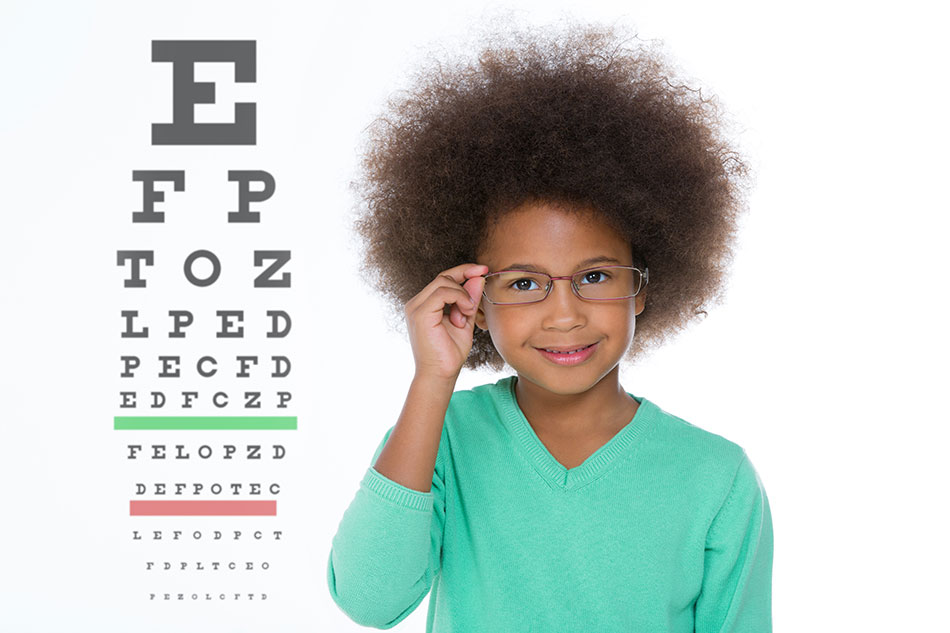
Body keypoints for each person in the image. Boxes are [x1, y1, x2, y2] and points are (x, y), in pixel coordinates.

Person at [327, 20, 773, 633]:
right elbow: (369, 600)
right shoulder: (442, 440)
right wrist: (433, 377)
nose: (565, 315)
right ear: (475, 300)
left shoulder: (714, 477)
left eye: (594, 276)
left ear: (641, 286)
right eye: (524, 283)